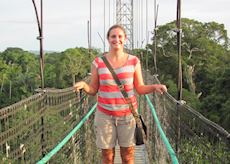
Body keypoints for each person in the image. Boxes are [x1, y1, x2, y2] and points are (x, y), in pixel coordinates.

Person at [74, 24, 167, 164]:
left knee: (128, 156)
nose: (116, 39)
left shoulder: (134, 61)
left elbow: (140, 88)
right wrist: (84, 85)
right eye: (113, 36)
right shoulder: (98, 63)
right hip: (105, 115)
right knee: (107, 156)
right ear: (108, 39)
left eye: (120, 36)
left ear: (125, 38)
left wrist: (154, 86)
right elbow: (93, 89)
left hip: (128, 115)